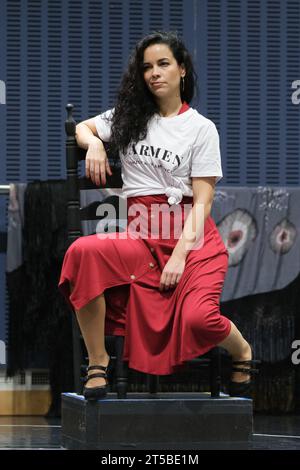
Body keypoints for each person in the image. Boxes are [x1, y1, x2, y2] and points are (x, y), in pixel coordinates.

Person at [58, 30, 258, 400]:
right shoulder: (128, 117)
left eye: (163, 64)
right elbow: (82, 128)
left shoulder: (201, 128)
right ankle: (98, 362)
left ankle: (241, 349)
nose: (154, 73)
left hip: (193, 241)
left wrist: (180, 256)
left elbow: (202, 203)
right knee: (82, 252)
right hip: (141, 238)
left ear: (182, 70)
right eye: (147, 67)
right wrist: (97, 146)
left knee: (199, 319)